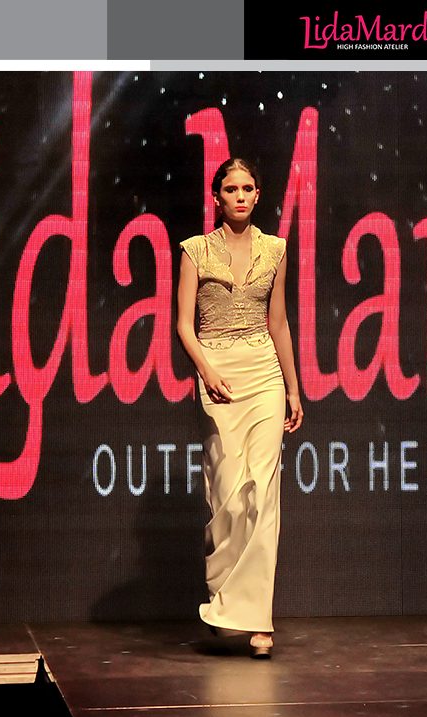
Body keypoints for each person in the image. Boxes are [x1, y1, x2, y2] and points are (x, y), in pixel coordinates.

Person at [177, 157, 303, 658]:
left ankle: (259, 622)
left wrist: (293, 388)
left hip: (264, 372)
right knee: (229, 494)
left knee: (264, 493)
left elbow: (279, 322)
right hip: (218, 372)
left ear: (258, 194)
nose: (241, 196)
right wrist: (206, 371)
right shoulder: (195, 250)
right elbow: (184, 324)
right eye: (231, 189)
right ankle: (227, 598)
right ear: (217, 197)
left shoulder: (276, 250)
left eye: (248, 188)